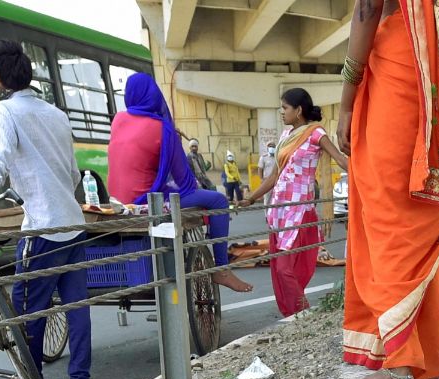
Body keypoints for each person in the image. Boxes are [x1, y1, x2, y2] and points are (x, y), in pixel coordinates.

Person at [337, 0, 439, 379]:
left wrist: (346, 102)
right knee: (415, 210)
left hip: (401, 69)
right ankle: (426, 349)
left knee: (389, 215)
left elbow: (368, 8)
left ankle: (400, 363)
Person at [0, 40, 92, 379]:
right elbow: (74, 175)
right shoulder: (56, 114)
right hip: (73, 224)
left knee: (29, 309)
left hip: (43, 227)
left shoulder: (6, 111)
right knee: (77, 306)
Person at [107, 73, 253, 293]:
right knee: (219, 200)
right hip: (146, 202)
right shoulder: (162, 129)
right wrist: (172, 138)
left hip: (118, 200)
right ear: (154, 94)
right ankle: (221, 269)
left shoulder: (118, 120)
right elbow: (183, 178)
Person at [238, 88, 348, 316]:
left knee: (285, 267)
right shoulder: (285, 136)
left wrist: (367, 175)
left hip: (299, 209)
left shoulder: (316, 133)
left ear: (298, 110)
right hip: (278, 210)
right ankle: (294, 315)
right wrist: (251, 197)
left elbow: (339, 159)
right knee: (279, 268)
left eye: (285, 108)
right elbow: (274, 176)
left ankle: (302, 311)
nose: (281, 112)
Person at [258, 141, 278, 205]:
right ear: (267, 148)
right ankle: (267, 214)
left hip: (277, 180)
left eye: (273, 146)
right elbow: (260, 169)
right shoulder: (263, 157)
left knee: (276, 198)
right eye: (270, 146)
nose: (272, 148)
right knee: (267, 199)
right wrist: (261, 179)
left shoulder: (278, 157)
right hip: (267, 180)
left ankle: (274, 214)